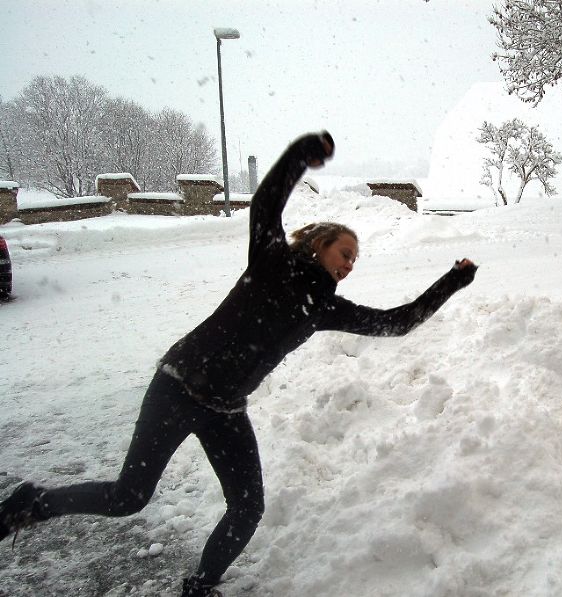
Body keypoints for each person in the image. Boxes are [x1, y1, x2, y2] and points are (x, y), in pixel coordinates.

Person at [0, 132, 478, 597]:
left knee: (248, 509)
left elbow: (397, 323)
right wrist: (301, 154)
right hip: (178, 387)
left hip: (226, 408)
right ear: (319, 243)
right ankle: (33, 502)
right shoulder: (271, 262)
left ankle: (201, 586)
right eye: (345, 253)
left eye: (356, 259)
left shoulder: (325, 308)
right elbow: (267, 203)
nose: (351, 264)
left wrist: (451, 283)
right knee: (129, 497)